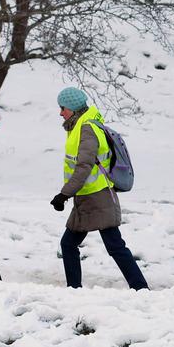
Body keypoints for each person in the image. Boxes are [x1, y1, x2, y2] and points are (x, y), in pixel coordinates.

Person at [51, 87, 147, 290]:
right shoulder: (79, 126)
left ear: (73, 107)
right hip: (87, 197)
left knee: (113, 245)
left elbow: (84, 165)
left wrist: (64, 194)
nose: (60, 113)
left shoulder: (86, 128)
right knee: (70, 244)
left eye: (63, 108)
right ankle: (74, 289)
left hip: (98, 196)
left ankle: (140, 289)